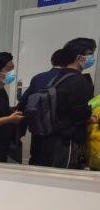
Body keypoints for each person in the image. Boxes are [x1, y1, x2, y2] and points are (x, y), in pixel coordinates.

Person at [30, 38, 96, 168]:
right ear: (79, 56)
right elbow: (80, 113)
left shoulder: (58, 78)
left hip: (48, 138)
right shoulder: (79, 81)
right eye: (90, 53)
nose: (92, 57)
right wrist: (90, 118)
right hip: (67, 141)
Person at [15, 49, 68, 165]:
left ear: (52, 61)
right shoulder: (71, 79)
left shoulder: (38, 78)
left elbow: (24, 103)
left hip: (38, 128)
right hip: (59, 132)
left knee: (36, 160)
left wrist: (21, 130)